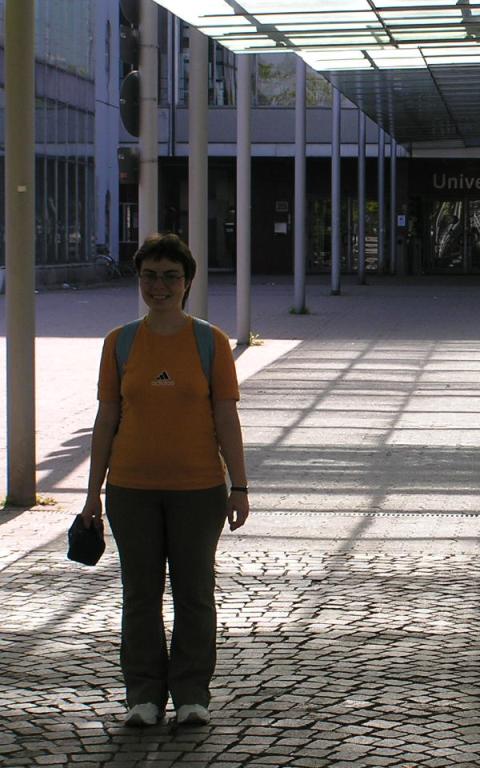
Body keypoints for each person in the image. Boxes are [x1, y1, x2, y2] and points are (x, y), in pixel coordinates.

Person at [78, 233, 250, 727]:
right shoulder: (120, 342)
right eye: (150, 276)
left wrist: (239, 486)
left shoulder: (210, 342)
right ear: (138, 280)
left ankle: (192, 693)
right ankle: (143, 696)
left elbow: (226, 418)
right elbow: (107, 419)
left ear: (187, 282)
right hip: (131, 489)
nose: (159, 286)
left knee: (194, 594)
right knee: (140, 594)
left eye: (170, 277)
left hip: (199, 490)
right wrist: (92, 494)